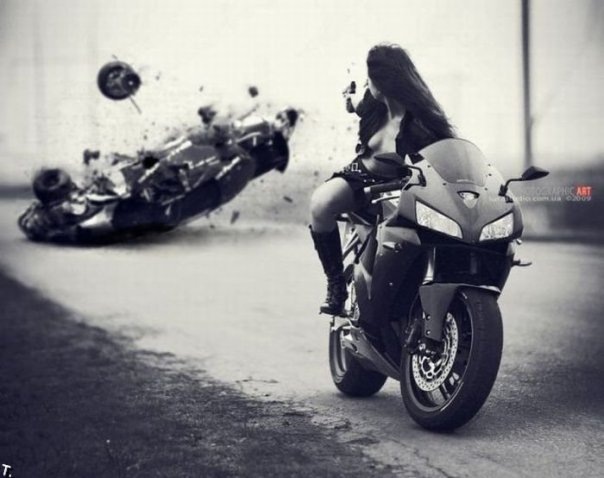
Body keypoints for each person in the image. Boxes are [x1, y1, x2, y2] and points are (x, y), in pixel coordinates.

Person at [309, 43, 456, 316]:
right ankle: (336, 284)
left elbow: (447, 155)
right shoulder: (373, 104)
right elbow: (355, 105)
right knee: (320, 203)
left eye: (370, 79)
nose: (367, 83)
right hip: (361, 175)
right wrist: (348, 99)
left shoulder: (422, 123)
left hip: (403, 188)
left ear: (384, 82)